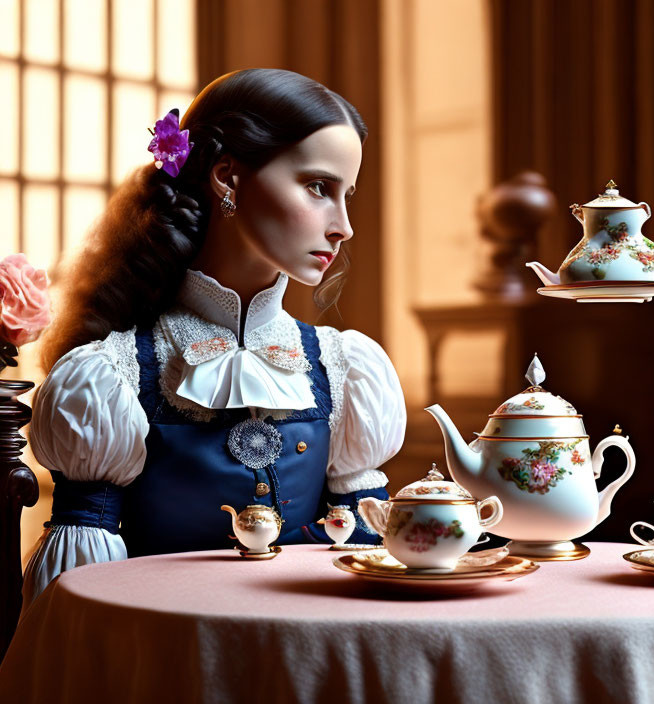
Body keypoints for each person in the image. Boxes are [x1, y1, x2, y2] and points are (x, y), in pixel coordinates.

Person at [21, 68, 406, 608]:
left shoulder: (344, 367)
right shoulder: (113, 373)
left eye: (348, 195)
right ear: (228, 177)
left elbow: (369, 559)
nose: (343, 225)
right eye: (319, 187)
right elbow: (79, 596)